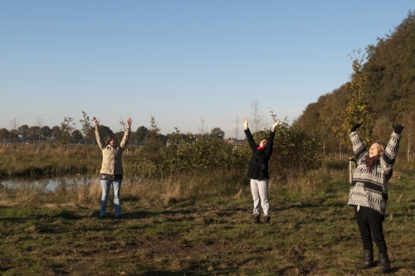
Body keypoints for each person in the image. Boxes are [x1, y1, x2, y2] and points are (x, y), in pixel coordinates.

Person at [348, 123, 403, 274]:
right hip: (359, 204)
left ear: (381, 152)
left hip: (373, 205)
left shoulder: (383, 165)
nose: (369, 150)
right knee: (364, 234)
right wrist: (353, 132)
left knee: (377, 236)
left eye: (373, 148)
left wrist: (396, 134)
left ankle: (385, 264)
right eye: (370, 148)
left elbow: (391, 151)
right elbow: (358, 147)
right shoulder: (362, 161)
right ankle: (368, 260)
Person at [92, 117, 132, 219]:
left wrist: (128, 127)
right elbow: (98, 138)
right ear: (109, 141)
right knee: (104, 195)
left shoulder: (120, 148)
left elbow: (125, 139)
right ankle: (102, 214)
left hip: (117, 175)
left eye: (115, 139)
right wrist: (96, 126)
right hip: (105, 175)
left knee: (117, 196)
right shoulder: (104, 148)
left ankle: (118, 214)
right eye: (112, 139)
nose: (114, 140)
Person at [243, 118, 280, 224]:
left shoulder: (266, 152)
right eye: (263, 141)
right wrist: (246, 127)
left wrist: (273, 128)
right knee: (255, 199)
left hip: (262, 177)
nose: (264, 142)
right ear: (259, 142)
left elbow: (271, 141)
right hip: (253, 177)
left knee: (264, 199)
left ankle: (266, 216)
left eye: (265, 141)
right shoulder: (255, 149)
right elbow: (250, 139)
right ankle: (256, 215)